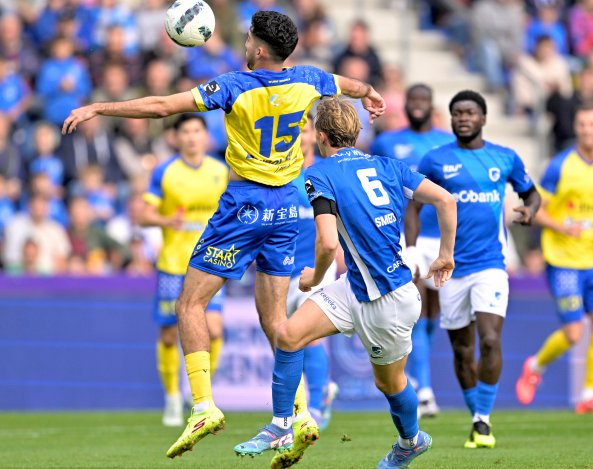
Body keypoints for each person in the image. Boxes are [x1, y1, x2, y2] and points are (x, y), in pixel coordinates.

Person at [61, 10, 385, 460]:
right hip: (292, 207)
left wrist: (99, 106)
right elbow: (348, 84)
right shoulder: (310, 79)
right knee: (276, 321)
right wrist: (370, 93)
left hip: (246, 204)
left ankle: (203, 406)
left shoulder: (234, 85)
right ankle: (302, 412)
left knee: (190, 303)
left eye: (249, 36)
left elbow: (160, 107)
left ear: (256, 49)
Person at [234, 96, 456, 468]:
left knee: (390, 384)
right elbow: (447, 201)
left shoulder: (319, 174)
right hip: (356, 285)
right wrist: (446, 253)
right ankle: (280, 425)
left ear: (321, 136)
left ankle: (410, 440)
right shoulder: (388, 165)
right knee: (289, 336)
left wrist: (313, 278)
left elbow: (327, 242)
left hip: (388, 300)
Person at [409, 90, 540, 449]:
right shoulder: (436, 160)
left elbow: (531, 193)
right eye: (457, 113)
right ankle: (475, 416)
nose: (463, 118)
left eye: (470, 112)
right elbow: (412, 204)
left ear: (483, 118)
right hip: (450, 268)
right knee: (462, 350)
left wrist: (530, 210)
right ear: (450, 120)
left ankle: (483, 420)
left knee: (491, 338)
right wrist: (409, 248)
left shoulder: (504, 157)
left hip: (490, 265)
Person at [516, 102, 593, 415]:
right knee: (574, 332)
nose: (587, 129)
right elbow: (535, 211)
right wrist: (562, 226)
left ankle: (588, 396)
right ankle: (535, 365)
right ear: (576, 129)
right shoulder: (559, 166)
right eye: (582, 124)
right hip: (562, 258)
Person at [136, 114, 228, 427]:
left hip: (211, 262)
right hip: (174, 264)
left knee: (214, 330)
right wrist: (164, 221)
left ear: (205, 136)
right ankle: (172, 397)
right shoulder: (165, 171)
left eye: (196, 131)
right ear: (176, 137)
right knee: (166, 336)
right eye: (185, 132)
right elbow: (143, 214)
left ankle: (197, 390)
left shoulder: (220, 170)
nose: (191, 137)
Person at [372, 83, 454, 418]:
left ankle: (421, 380)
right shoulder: (386, 142)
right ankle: (424, 389)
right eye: (413, 100)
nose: (418, 105)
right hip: (403, 235)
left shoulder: (446, 144)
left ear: (431, 105)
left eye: (424, 100)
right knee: (415, 310)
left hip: (439, 235)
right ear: (405, 105)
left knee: (434, 312)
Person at [286, 118, 339, 430]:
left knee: (310, 339)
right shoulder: (274, 175)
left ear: (314, 135)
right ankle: (318, 394)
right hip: (280, 269)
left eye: (303, 129)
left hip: (317, 267)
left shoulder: (323, 172)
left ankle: (314, 408)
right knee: (288, 339)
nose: (298, 135)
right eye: (292, 129)